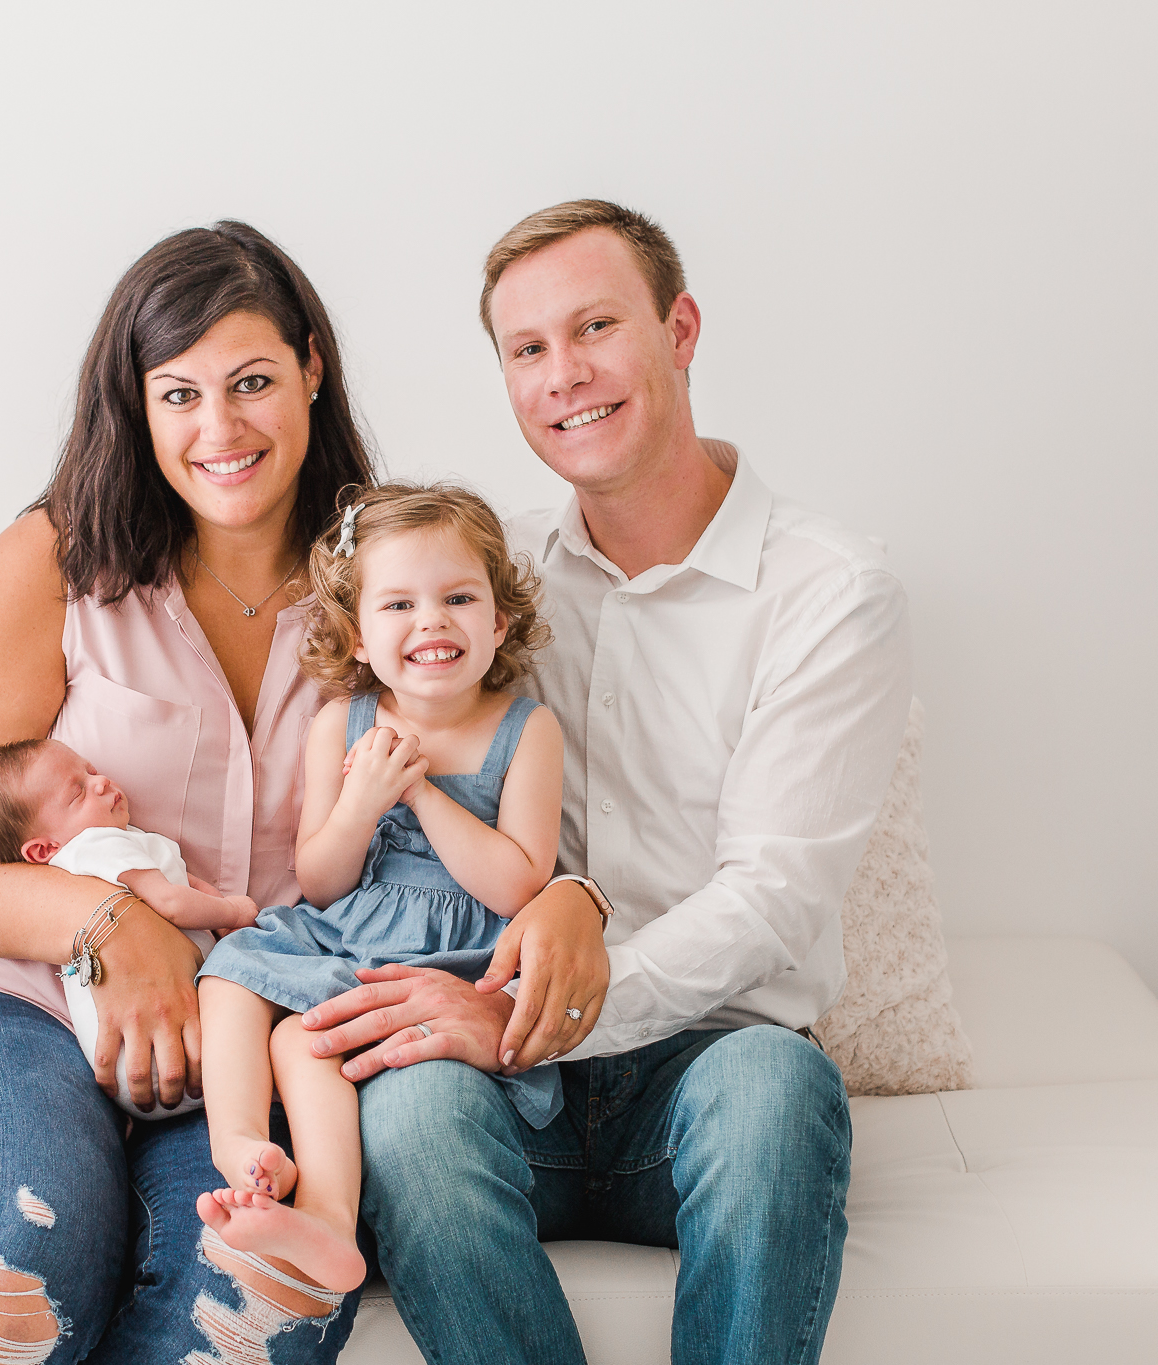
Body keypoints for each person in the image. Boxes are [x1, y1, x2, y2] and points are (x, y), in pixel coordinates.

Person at [299, 199, 914, 1365]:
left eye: (595, 327)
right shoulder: (491, 577)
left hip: (706, 1058)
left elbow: (774, 897)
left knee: (777, 1099)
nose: (564, 374)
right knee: (411, 1113)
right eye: (527, 350)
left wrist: (526, 1007)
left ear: (679, 330)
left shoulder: (828, 593)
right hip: (497, 1063)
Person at [0, 221, 385, 1365]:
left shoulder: (388, 581)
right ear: (136, 405)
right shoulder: (56, 558)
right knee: (26, 1248)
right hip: (0, 1015)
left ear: (312, 367)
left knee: (249, 1297)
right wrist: (102, 920)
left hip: (235, 1057)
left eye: (252, 382)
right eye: (177, 395)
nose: (217, 429)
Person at [191, 482, 565, 1297]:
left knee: (307, 1038)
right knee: (237, 982)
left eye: (458, 597)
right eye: (398, 604)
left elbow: (520, 881)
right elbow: (321, 879)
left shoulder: (523, 727)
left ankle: (326, 1213)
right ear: (360, 636)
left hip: (456, 954)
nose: (430, 621)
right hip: (351, 932)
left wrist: (423, 793)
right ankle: (251, 1154)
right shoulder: (343, 721)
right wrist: (364, 799)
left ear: (498, 622)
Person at [0, 737, 259, 1116]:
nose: (101, 782)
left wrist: (210, 904)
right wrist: (233, 912)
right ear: (43, 849)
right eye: (77, 793)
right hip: (165, 1049)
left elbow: (183, 883)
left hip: (135, 1068)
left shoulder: (91, 857)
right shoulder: (99, 844)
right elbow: (173, 902)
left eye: (91, 771)